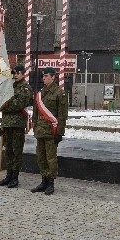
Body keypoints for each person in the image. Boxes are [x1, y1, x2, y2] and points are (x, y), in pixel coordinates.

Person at [31, 66, 68, 195]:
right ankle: (44, 180)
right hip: (40, 130)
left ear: (53, 77)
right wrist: (34, 126)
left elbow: (62, 115)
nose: (44, 78)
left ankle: (51, 183)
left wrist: (59, 132)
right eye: (43, 76)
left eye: (46, 76)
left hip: (51, 131)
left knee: (51, 158)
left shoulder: (59, 93)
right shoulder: (41, 93)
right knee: (41, 157)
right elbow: (36, 112)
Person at [0, 64, 31, 188]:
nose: (14, 75)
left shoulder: (25, 88)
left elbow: (18, 104)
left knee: (16, 151)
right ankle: (8, 175)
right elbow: (1, 101)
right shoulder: (9, 87)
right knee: (8, 151)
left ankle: (15, 177)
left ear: (23, 74)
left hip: (17, 124)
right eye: (13, 73)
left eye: (17, 73)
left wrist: (3, 106)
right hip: (7, 124)